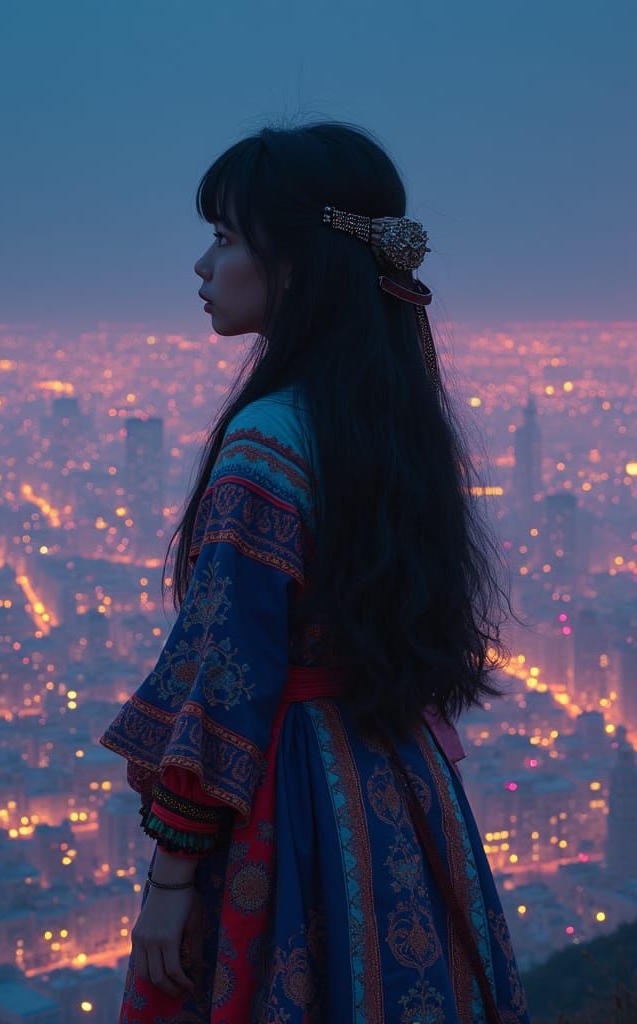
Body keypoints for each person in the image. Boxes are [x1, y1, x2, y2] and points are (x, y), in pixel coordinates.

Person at [99, 120, 532, 1023]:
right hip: (400, 792)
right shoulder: (392, 423)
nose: (203, 266)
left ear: (293, 262)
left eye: (224, 237)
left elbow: (224, 670)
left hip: (286, 806)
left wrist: (171, 876)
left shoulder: (267, 441)